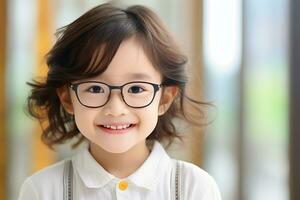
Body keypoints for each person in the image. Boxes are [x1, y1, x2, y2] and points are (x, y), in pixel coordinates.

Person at [18, 2, 221, 200]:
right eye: (95, 88)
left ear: (164, 98)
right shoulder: (41, 190)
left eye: (136, 88)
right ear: (67, 99)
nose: (115, 109)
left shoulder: (194, 187)